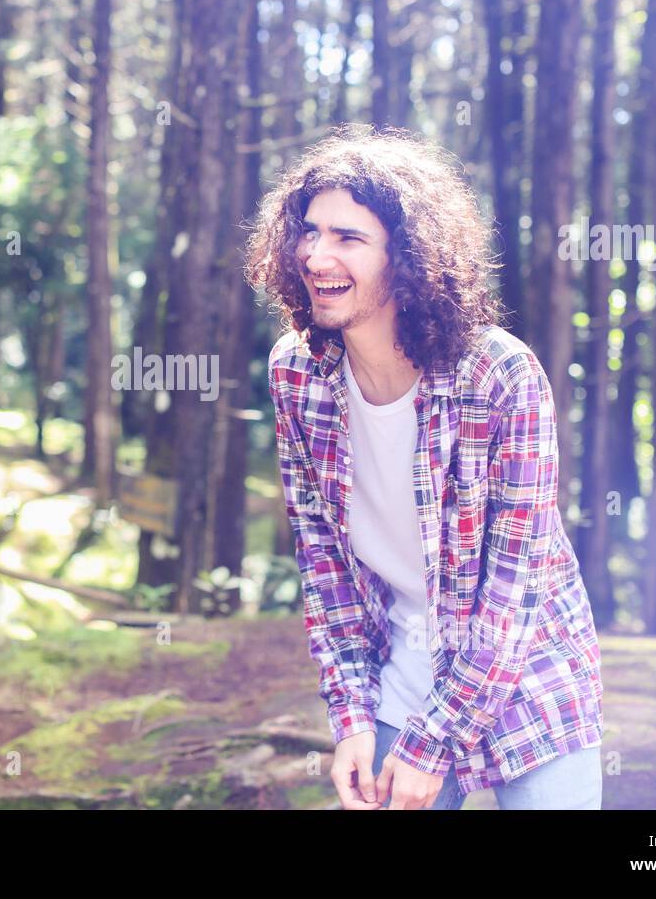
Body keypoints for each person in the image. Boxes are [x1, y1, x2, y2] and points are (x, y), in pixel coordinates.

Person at [245, 125, 605, 810]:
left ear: (408, 258)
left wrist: (436, 741)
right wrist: (351, 716)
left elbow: (515, 594)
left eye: (348, 238)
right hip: (400, 667)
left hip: (527, 671)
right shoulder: (296, 373)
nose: (316, 254)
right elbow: (324, 567)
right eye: (310, 232)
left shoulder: (500, 374)